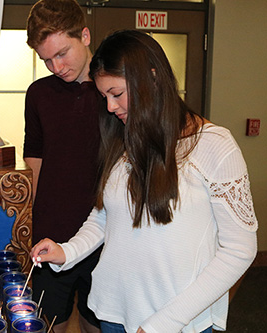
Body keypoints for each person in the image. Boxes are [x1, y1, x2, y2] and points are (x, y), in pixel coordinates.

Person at [30, 30, 258, 333]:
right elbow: (104, 215)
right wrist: (68, 251)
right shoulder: (126, 140)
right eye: (105, 97)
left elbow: (239, 251)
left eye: (117, 94)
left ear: (151, 78)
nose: (110, 107)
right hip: (113, 313)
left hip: (176, 323)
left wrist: (166, 322)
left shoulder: (214, 145)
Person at [23, 0, 105, 332]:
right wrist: (30, 219)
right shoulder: (38, 93)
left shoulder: (113, 91)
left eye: (62, 54)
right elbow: (35, 158)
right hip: (52, 232)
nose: (56, 66)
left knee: (95, 323)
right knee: (47, 322)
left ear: (84, 35)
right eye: (46, 60)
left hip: (105, 233)